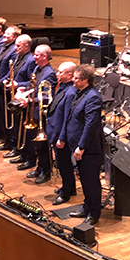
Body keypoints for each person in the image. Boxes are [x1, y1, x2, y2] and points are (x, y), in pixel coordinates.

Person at [58, 64, 104, 225]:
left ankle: (94, 213)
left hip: (89, 150)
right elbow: (69, 117)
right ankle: (86, 206)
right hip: (76, 145)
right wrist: (63, 137)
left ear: (85, 80)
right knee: (84, 180)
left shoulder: (93, 97)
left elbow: (90, 125)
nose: (73, 80)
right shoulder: (79, 93)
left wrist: (81, 147)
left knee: (91, 181)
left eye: (77, 78)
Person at [19, 44, 57, 180]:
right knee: (35, 143)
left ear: (44, 56)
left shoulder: (50, 74)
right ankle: (39, 167)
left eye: (36, 54)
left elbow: (47, 96)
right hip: (32, 111)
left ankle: (46, 172)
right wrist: (23, 89)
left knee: (42, 145)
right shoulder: (37, 68)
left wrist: (29, 101)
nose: (34, 57)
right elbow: (32, 86)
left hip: (40, 113)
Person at [46, 61, 77, 204]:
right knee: (64, 164)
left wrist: (62, 138)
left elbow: (67, 117)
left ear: (70, 75)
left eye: (60, 72)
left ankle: (66, 193)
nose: (57, 74)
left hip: (61, 135)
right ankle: (70, 188)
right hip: (56, 131)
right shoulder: (63, 87)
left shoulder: (71, 92)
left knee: (64, 164)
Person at [3, 35, 36, 159]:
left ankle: (26, 154)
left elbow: (32, 82)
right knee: (16, 126)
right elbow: (11, 74)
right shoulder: (18, 57)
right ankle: (17, 149)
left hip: (22, 97)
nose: (15, 48)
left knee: (22, 128)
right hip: (14, 96)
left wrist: (18, 84)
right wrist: (6, 81)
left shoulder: (30, 60)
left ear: (26, 46)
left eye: (18, 45)